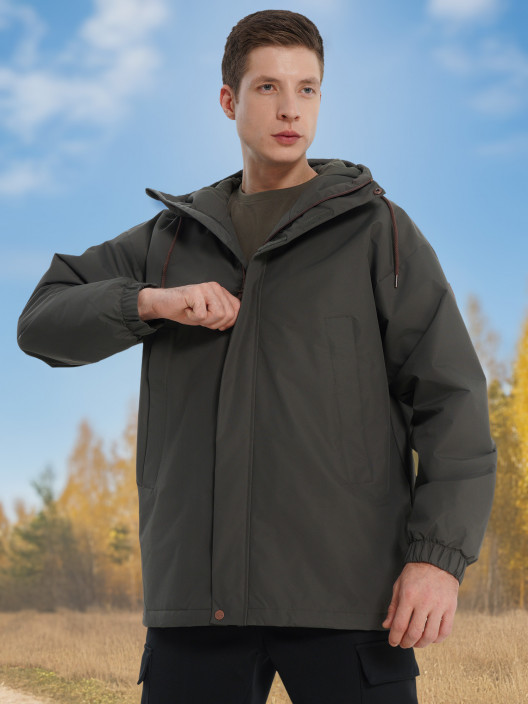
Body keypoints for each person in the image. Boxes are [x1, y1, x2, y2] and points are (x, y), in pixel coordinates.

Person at [17, 9, 497, 704]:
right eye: (268, 87)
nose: (290, 109)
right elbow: (40, 321)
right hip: (197, 602)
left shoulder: (379, 231)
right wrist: (152, 302)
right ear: (228, 100)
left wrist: (438, 559)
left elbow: (453, 402)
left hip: (349, 600)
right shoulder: (170, 240)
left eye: (307, 89)